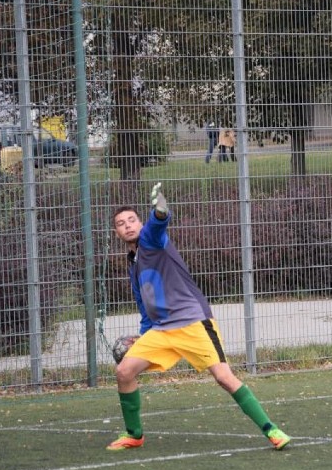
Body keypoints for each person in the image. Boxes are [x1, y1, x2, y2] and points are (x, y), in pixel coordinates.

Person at [108, 183, 291, 451]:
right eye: (121, 223)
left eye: (132, 220)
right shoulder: (133, 266)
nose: (128, 226)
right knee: (124, 372)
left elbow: (160, 222)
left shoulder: (150, 239)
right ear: (116, 232)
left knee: (224, 378)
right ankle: (134, 435)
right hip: (161, 331)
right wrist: (144, 334)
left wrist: (160, 209)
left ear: (140, 223)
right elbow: (145, 305)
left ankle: (271, 430)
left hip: (192, 322)